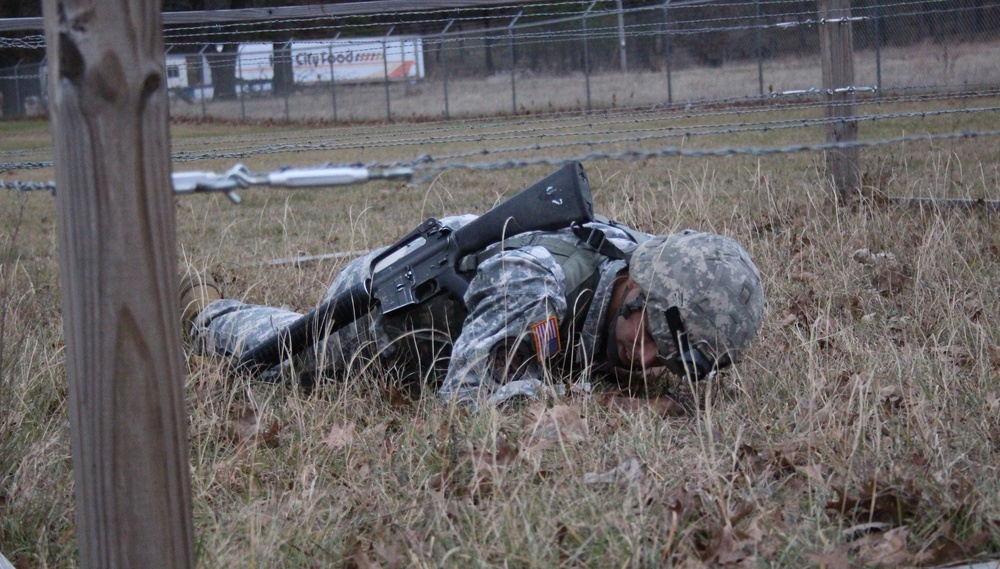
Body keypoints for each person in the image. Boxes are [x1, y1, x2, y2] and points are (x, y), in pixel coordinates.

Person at [180, 213, 764, 407]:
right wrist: (591, 400)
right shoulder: (535, 283)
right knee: (278, 357)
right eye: (651, 333)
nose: (647, 358)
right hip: (388, 310)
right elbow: (473, 402)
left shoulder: (657, 266)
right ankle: (196, 308)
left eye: (673, 357)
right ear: (635, 288)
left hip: (466, 307)